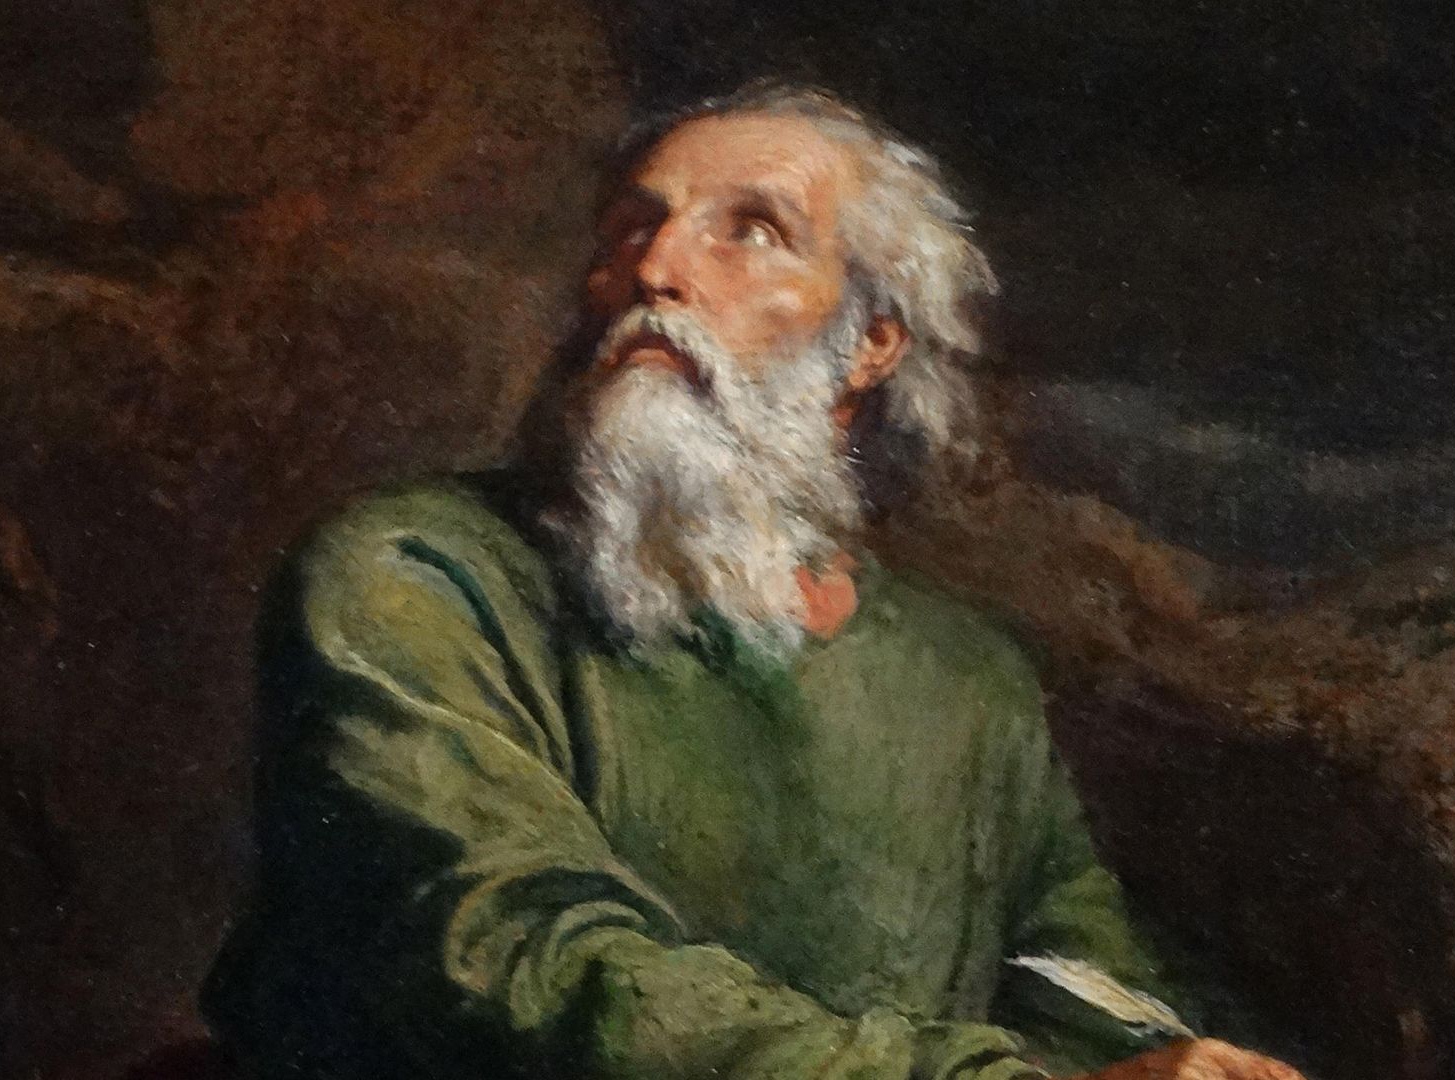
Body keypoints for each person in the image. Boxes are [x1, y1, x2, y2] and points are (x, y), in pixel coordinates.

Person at [203, 82, 1302, 1080]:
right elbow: (519, 957)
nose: (655, 271)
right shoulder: (415, 572)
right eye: (631, 227)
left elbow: (1087, 989)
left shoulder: (967, 677)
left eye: (752, 230)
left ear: (871, 341)